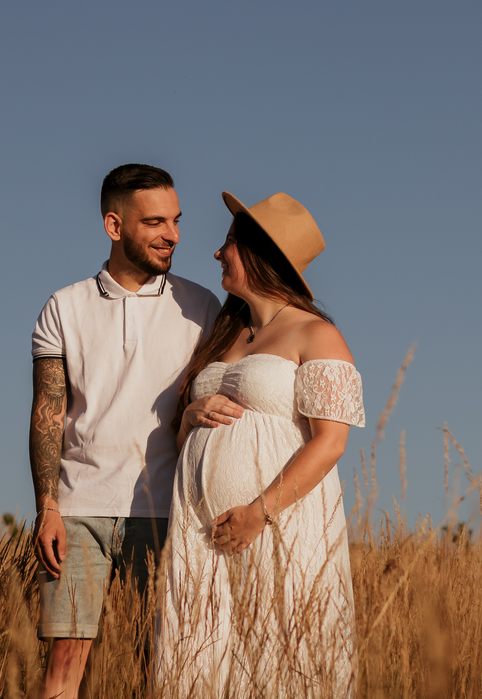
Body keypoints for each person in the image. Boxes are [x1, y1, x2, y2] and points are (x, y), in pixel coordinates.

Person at [155, 191, 364, 698]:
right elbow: (182, 440)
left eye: (227, 243)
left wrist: (257, 513)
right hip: (200, 533)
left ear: (259, 254)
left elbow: (330, 443)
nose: (216, 254)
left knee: (279, 660)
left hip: (276, 527)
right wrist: (189, 415)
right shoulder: (224, 334)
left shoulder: (317, 334)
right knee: (197, 662)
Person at [28, 163, 221, 699]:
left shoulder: (202, 306)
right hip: (77, 509)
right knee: (64, 668)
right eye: (155, 222)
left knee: (156, 666)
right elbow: (47, 412)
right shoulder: (63, 307)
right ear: (114, 226)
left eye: (177, 221)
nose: (173, 235)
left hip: (167, 511)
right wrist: (47, 506)